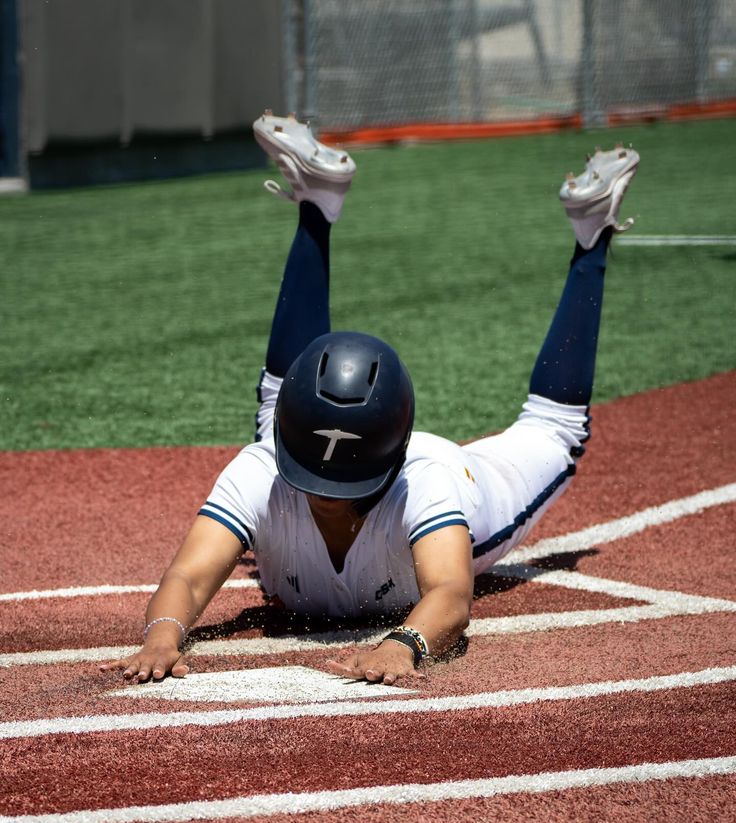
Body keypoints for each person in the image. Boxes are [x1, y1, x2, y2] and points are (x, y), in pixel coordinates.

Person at [101, 113, 639, 686]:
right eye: (311, 478)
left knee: (555, 431)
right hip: (329, 439)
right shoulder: (262, 468)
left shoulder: (427, 480)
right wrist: (162, 635)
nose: (326, 499)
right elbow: (186, 575)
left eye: (339, 488)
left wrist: (404, 645)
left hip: (469, 479)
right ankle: (319, 198)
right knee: (281, 402)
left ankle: (592, 233)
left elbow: (452, 594)